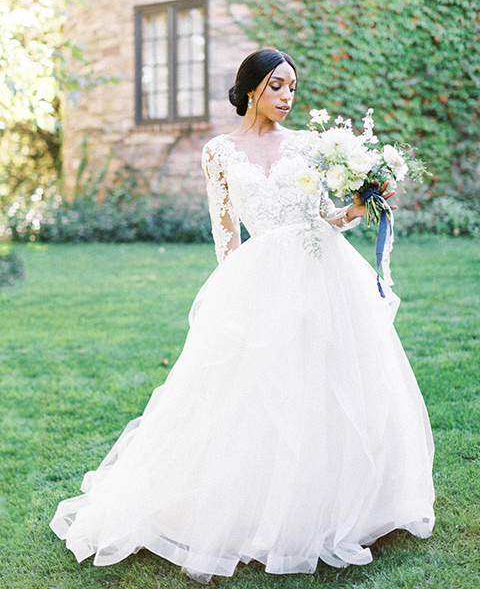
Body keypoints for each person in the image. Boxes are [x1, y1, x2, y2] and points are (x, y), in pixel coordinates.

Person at [50, 48, 435, 584]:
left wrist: (358, 206)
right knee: (257, 391)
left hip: (324, 273)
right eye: (277, 86)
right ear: (251, 88)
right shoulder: (220, 153)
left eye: (293, 88)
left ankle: (340, 499)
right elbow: (226, 238)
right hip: (261, 275)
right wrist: (233, 302)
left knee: (332, 381)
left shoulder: (305, 145)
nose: (287, 96)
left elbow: (326, 216)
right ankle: (252, 505)